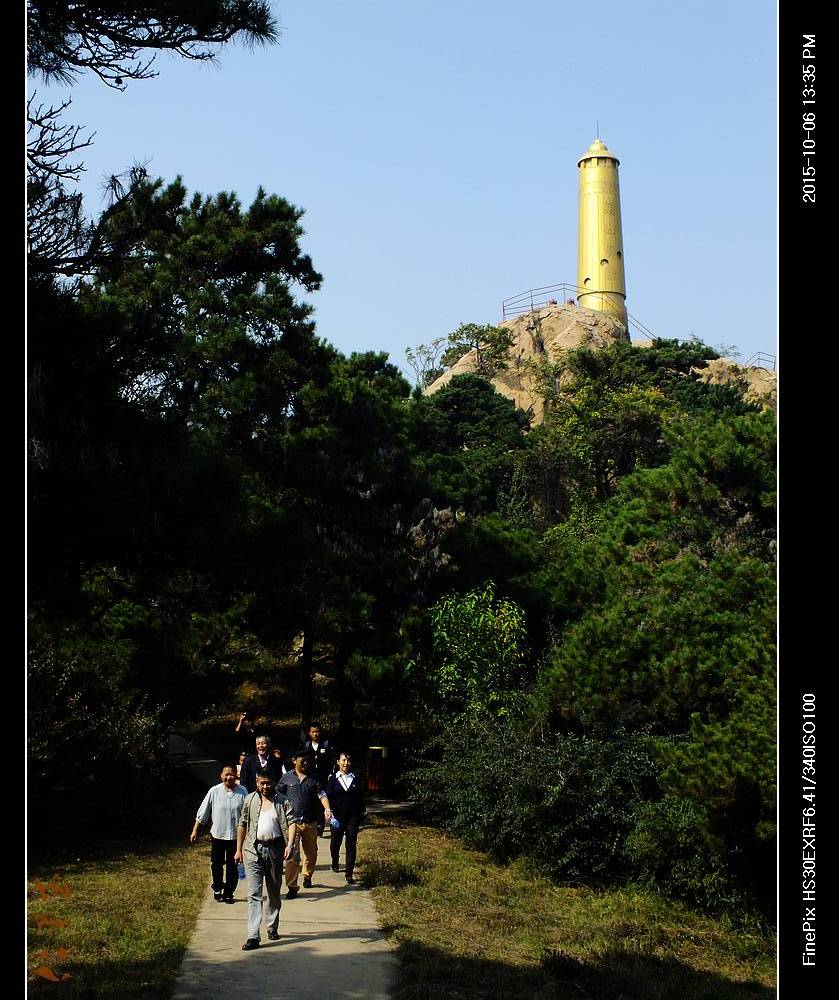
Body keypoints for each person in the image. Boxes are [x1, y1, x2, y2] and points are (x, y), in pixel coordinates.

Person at [234, 768, 298, 951]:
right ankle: (253, 935)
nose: (265, 786)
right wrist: (238, 850)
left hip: (275, 849)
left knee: (273, 891)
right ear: (256, 783)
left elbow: (292, 822)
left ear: (273, 782)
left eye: (268, 783)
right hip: (253, 849)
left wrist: (290, 845)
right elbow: (242, 824)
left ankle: (272, 926)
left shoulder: (283, 801)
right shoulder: (250, 800)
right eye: (261, 783)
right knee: (254, 894)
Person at [277, 748, 334, 895]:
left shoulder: (314, 778)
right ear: (294, 761)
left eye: (308, 761)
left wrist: (327, 809)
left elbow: (322, 794)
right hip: (292, 823)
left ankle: (307, 876)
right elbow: (277, 795)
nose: (306, 764)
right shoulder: (286, 778)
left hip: (310, 822)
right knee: (292, 855)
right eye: (303, 761)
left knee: (311, 853)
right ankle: (292, 886)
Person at [190, 764, 247, 903]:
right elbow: (203, 812)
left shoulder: (242, 791)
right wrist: (195, 830)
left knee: (232, 865)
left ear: (236, 775)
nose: (229, 777)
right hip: (218, 835)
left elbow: (248, 814)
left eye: (232, 774)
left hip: (235, 837)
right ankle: (217, 887)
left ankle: (228, 892)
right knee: (216, 863)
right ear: (221, 776)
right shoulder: (214, 791)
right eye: (226, 774)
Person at [326, 752, 367, 885]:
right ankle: (335, 861)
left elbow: (360, 797)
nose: (346, 763)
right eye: (343, 760)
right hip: (337, 817)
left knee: (351, 843)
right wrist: (329, 812)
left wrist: (362, 811)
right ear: (338, 762)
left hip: (353, 817)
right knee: (335, 843)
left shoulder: (355, 778)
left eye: (348, 760)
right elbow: (328, 797)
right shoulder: (333, 779)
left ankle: (349, 873)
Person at [305, 723, 335, 834]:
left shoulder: (326, 745)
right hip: (311, 778)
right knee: (313, 801)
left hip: (324, 778)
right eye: (313, 732)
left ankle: (321, 825)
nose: (315, 734)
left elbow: (331, 761)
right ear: (309, 733)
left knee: (323, 800)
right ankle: (315, 824)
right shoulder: (307, 745)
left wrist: (330, 774)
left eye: (317, 731)